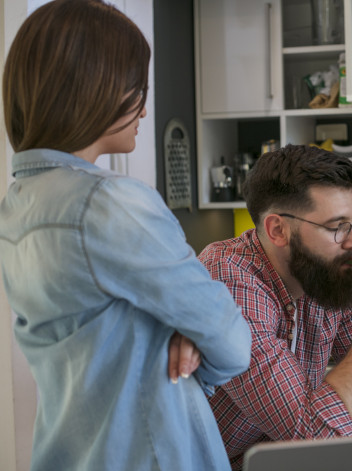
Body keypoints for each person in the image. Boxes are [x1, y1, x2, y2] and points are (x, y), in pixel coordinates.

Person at [0, 1, 251, 470]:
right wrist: (196, 339)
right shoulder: (109, 202)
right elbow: (231, 339)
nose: (144, 104)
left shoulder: (18, 205)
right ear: (96, 87)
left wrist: (184, 330)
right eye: (138, 86)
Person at [199, 144, 352, 470]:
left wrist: (339, 416)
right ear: (278, 230)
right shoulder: (229, 282)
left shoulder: (325, 273)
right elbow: (317, 437)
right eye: (336, 226)